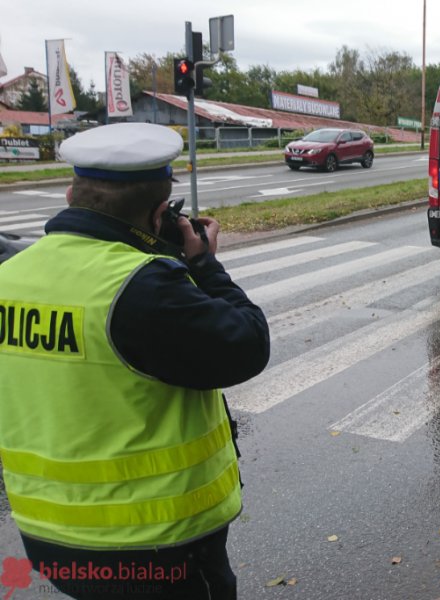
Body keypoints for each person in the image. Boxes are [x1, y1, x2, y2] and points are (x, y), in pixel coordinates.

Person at [0, 122, 270, 599]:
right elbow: (247, 344)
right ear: (161, 212)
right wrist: (204, 264)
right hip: (152, 547)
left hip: (50, 538)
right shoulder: (141, 288)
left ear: (69, 194)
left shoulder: (11, 275)